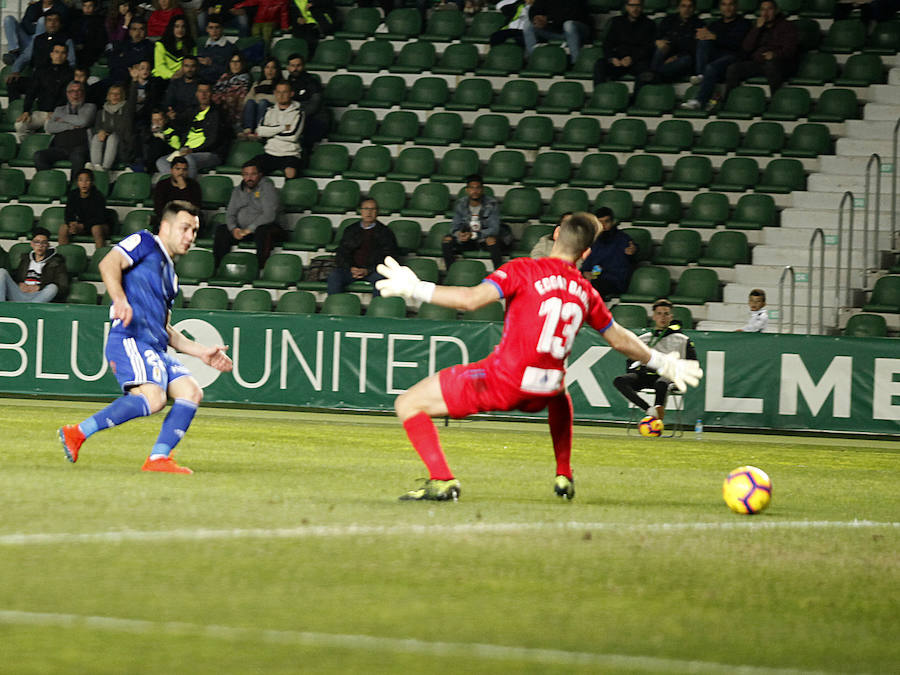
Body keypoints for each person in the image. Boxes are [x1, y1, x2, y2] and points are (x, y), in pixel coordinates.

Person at [374, 213, 703, 501]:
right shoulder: (587, 291)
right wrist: (664, 362)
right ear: (586, 253)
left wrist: (417, 289)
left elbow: (471, 300)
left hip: (504, 382)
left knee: (408, 403)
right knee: (559, 393)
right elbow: (619, 339)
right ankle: (563, 473)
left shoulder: (523, 269)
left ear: (555, 234)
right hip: (544, 390)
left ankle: (442, 480)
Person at [58, 201, 234, 474]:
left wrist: (202, 352)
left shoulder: (172, 277)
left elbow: (166, 329)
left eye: (195, 231)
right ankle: (77, 433)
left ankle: (158, 459)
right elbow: (109, 263)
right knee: (154, 398)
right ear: (165, 226)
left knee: (191, 392)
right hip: (129, 338)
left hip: (154, 346)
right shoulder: (144, 242)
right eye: (185, 228)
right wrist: (120, 300)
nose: (190, 237)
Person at [613, 298, 697, 422]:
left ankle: (659, 414)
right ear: (653, 317)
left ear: (671, 317)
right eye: (659, 314)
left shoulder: (682, 339)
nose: (662, 317)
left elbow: (693, 363)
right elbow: (630, 361)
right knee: (619, 381)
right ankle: (649, 410)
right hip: (644, 375)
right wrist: (635, 369)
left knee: (661, 383)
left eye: (666, 314)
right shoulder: (643, 339)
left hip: (668, 375)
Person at [680, 0, 751, 111]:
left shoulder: (744, 23)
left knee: (711, 67)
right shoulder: (715, 24)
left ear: (736, 6)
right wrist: (700, 36)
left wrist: (715, 37)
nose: (727, 8)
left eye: (730, 4)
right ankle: (700, 74)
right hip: (716, 57)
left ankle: (699, 100)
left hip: (734, 57)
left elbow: (738, 45)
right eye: (724, 4)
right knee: (703, 41)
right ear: (720, 7)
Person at [723, 0, 797, 103]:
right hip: (759, 63)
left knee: (772, 65)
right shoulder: (758, 26)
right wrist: (757, 29)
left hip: (781, 63)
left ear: (776, 11)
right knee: (734, 68)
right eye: (763, 10)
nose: (765, 13)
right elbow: (746, 47)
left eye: (769, 9)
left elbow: (790, 50)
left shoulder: (787, 26)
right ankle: (728, 101)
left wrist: (775, 54)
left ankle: (776, 102)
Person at [213, 159, 283, 268]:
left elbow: (269, 215)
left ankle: (260, 268)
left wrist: (249, 229)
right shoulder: (237, 190)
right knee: (222, 230)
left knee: (263, 232)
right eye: (246, 174)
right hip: (242, 230)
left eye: (253, 174)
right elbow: (230, 213)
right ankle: (218, 266)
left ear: (260, 174)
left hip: (264, 228)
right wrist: (234, 229)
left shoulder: (267, 187)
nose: (249, 178)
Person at [327, 198, 398, 296]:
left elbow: (388, 256)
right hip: (351, 270)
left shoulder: (385, 232)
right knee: (334, 276)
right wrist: (351, 268)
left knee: (381, 281)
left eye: (373, 209)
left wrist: (368, 270)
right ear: (361, 211)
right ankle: (334, 307)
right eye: (366, 209)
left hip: (373, 271)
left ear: (377, 212)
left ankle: (376, 309)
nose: (369, 212)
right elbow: (342, 252)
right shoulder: (351, 230)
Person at [155, 82, 226, 178]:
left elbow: (213, 140)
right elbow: (179, 125)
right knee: (161, 161)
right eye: (201, 91)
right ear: (197, 94)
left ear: (212, 94)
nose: (203, 94)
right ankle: (176, 185)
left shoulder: (217, 114)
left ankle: (189, 188)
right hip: (186, 150)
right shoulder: (192, 111)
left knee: (188, 159)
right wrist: (172, 119)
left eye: (206, 91)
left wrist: (192, 150)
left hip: (209, 153)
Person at [443, 174, 505, 270]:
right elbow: (454, 226)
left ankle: (499, 275)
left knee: (492, 241)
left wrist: (475, 235)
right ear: (467, 190)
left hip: (483, 238)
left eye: (478, 188)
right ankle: (451, 272)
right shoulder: (461, 204)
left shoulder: (491, 204)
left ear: (482, 189)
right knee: (447, 240)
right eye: (472, 188)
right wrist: (459, 234)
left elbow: (494, 228)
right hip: (468, 239)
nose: (475, 191)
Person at [34, 80, 96, 175]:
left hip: (79, 148)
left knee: (78, 157)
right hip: (59, 148)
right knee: (39, 155)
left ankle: (74, 186)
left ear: (83, 93)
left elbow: (83, 121)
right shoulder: (59, 109)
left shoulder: (90, 107)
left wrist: (62, 118)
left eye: (79, 91)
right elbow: (50, 127)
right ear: (67, 94)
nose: (75, 94)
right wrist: (71, 125)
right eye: (72, 91)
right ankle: (50, 182)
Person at [14, 42, 72, 143]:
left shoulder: (70, 73)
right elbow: (31, 92)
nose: (59, 55)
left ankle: (44, 149)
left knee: (49, 126)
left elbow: (67, 96)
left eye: (63, 53)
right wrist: (26, 110)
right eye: (56, 52)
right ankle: (26, 145)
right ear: (51, 54)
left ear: (66, 55)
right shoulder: (41, 71)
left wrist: (56, 112)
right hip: (40, 112)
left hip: (59, 113)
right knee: (19, 125)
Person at [580, 206, 636, 301]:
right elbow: (587, 264)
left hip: (613, 282)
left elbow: (624, 266)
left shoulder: (623, 239)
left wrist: (634, 252)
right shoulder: (594, 241)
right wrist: (584, 273)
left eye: (606, 222)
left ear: (613, 222)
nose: (603, 226)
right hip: (595, 279)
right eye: (600, 222)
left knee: (592, 287)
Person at [593, 0, 655, 85]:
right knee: (600, 64)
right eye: (632, 5)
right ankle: (598, 94)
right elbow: (607, 44)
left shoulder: (649, 24)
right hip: (618, 60)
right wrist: (612, 58)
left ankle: (636, 98)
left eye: (638, 5)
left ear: (642, 7)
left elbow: (649, 47)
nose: (635, 9)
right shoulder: (617, 21)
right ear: (626, 7)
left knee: (646, 72)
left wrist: (632, 58)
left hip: (637, 61)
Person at [0, 227, 69, 303]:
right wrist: (19, 284)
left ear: (48, 245)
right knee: (1, 272)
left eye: (43, 242)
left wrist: (39, 287)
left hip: (39, 295)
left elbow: (63, 287)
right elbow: (17, 278)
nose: (40, 245)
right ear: (32, 244)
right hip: (20, 294)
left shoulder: (57, 262)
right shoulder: (26, 259)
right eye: (37, 242)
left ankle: (30, 308)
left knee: (53, 288)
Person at [253, 80, 304, 179]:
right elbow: (260, 131)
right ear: (275, 93)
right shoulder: (269, 111)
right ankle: (259, 194)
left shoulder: (298, 113)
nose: (281, 95)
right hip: (270, 152)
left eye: (284, 92)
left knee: (291, 172)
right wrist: (283, 128)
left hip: (290, 153)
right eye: (278, 92)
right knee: (251, 170)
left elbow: (293, 136)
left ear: (291, 93)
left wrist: (270, 132)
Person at [648, 0, 703, 84]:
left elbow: (695, 49)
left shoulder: (699, 24)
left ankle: (653, 75)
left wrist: (676, 57)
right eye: (683, 6)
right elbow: (656, 37)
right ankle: (657, 75)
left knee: (686, 59)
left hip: (683, 58)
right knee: (660, 48)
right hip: (666, 56)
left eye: (690, 6)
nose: (686, 9)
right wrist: (658, 42)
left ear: (694, 8)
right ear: (678, 8)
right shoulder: (668, 20)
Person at [522, 0, 591, 64]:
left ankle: (575, 62)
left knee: (568, 25)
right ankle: (534, 60)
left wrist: (548, 19)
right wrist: (536, 18)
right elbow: (534, 9)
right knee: (528, 25)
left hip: (578, 31)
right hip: (556, 30)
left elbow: (573, 15)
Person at [286, 53, 326, 155]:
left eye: (298, 65)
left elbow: (314, 105)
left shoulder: (312, 82)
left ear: (303, 66)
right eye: (292, 66)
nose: (295, 68)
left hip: (312, 119)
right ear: (288, 67)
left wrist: (297, 116)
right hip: (292, 118)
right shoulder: (286, 83)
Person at [60, 168, 110, 248]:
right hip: (80, 226)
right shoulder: (73, 194)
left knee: (96, 228)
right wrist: (72, 223)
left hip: (97, 225)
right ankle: (61, 255)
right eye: (81, 180)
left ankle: (100, 256)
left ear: (92, 182)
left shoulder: (98, 196)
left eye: (87, 180)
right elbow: (68, 213)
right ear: (77, 182)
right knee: (63, 228)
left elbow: (100, 218)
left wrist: (83, 225)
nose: (84, 184)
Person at [88, 84, 132, 171]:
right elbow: (96, 127)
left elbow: (123, 128)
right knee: (97, 136)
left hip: (121, 145)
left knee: (113, 137)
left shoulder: (127, 110)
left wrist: (107, 132)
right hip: (104, 143)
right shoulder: (101, 112)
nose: (115, 96)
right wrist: (100, 131)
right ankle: (96, 165)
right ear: (108, 96)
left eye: (118, 94)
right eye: (112, 93)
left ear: (122, 95)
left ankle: (105, 168)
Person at [239, 56, 282, 136]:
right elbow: (247, 99)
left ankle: (259, 131)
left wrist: (261, 97)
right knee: (250, 102)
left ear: (277, 70)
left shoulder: (280, 84)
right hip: (255, 110)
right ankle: (248, 130)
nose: (270, 71)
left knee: (263, 103)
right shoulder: (257, 84)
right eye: (267, 67)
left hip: (271, 111)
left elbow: (279, 99)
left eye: (273, 68)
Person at [107, 16, 154, 87]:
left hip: (139, 81)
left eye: (141, 29)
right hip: (116, 80)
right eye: (134, 29)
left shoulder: (150, 47)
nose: (138, 32)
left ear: (146, 31)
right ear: (129, 31)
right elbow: (111, 63)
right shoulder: (121, 45)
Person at [153, 156, 202, 223]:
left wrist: (183, 188)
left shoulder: (193, 185)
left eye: (184, 169)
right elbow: (158, 207)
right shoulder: (162, 185)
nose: (181, 172)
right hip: (168, 218)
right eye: (177, 169)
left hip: (187, 219)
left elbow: (195, 206)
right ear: (172, 170)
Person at [212, 52, 251, 132]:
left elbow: (234, 95)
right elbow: (215, 90)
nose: (234, 65)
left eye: (237, 62)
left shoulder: (245, 79)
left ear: (242, 64)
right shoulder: (224, 76)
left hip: (233, 112)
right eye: (232, 62)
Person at [153, 15, 196, 80]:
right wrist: (172, 75)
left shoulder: (191, 44)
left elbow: (192, 62)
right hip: (162, 77)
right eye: (177, 26)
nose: (180, 30)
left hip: (182, 76)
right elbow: (159, 66)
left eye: (183, 27)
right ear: (172, 28)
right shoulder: (161, 44)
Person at [196, 15, 236, 82]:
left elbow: (229, 71)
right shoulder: (202, 47)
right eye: (211, 28)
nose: (214, 31)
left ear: (222, 29)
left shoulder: (230, 48)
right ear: (207, 29)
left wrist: (211, 63)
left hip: (217, 82)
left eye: (217, 27)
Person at [70, 0, 106, 68]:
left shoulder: (99, 21)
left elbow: (100, 39)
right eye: (85, 6)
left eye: (90, 6)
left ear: (94, 7)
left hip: (91, 51)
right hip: (77, 50)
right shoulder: (77, 20)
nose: (87, 8)